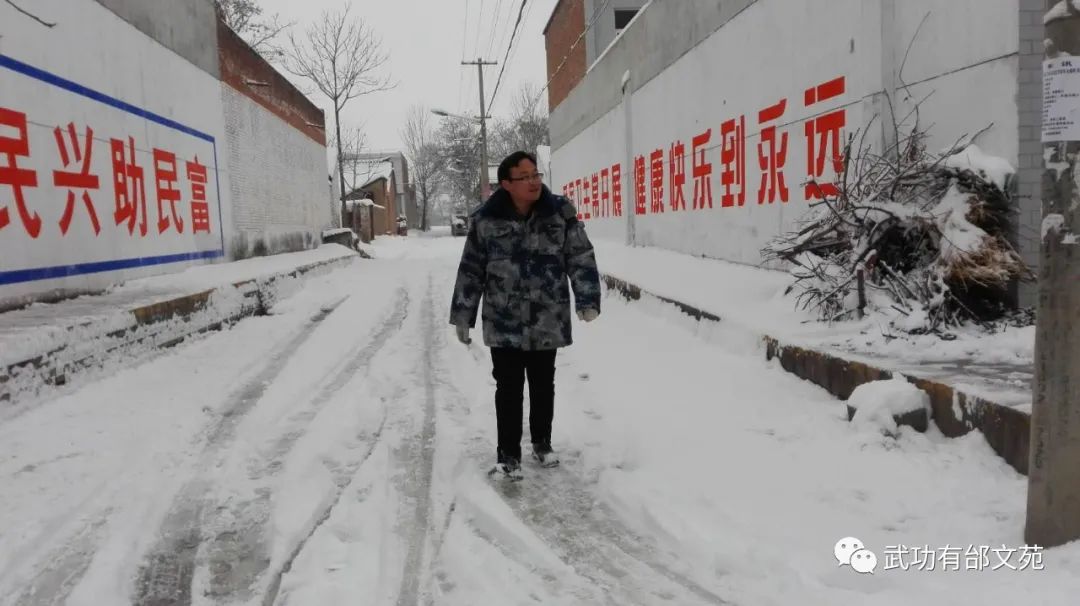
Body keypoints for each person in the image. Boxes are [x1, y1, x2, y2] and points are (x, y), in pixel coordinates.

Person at [450, 151, 601, 479]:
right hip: (503, 318)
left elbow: (580, 256)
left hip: (547, 316)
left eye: (536, 175)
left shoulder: (559, 213)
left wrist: (587, 298)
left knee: (543, 383)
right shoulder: (485, 221)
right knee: (507, 387)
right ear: (506, 184)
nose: (534, 182)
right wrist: (464, 315)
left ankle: (542, 444)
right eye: (525, 177)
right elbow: (471, 270)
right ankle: (508, 456)